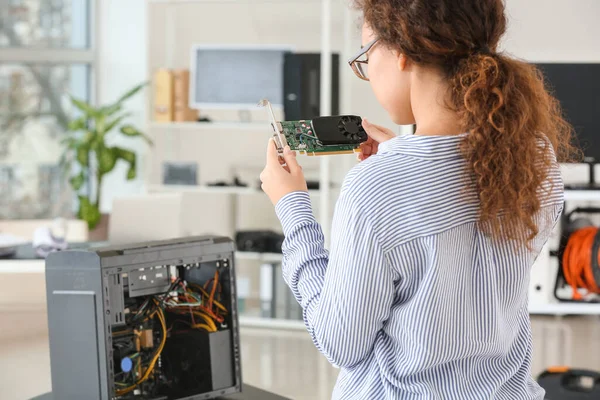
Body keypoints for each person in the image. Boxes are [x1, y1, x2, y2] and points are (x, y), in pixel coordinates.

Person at [259, 0, 578, 398]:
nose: (367, 71)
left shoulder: (374, 187)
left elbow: (340, 343)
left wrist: (293, 208)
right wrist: (405, 156)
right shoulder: (535, 155)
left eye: (366, 55)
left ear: (403, 54)